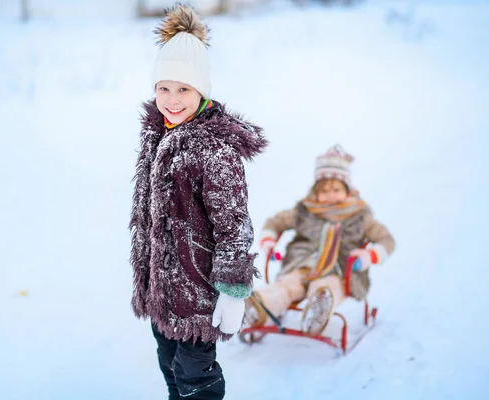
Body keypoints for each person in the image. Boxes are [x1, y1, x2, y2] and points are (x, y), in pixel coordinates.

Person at [129, 5, 268, 399]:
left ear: (202, 91)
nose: (172, 100)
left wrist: (234, 290)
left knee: (196, 378)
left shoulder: (214, 149)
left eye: (184, 89)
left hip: (200, 290)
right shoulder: (159, 134)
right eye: (164, 88)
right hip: (162, 287)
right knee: (169, 366)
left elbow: (233, 225)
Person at [245, 144, 395, 335]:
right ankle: (259, 306)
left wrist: (369, 256)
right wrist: (268, 240)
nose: (330, 196)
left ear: (347, 190)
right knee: (287, 285)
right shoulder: (305, 211)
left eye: (336, 189)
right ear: (315, 192)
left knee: (327, 287)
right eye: (323, 191)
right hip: (301, 265)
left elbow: (386, 240)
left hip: (339, 271)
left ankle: (318, 309)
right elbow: (275, 222)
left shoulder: (359, 216)